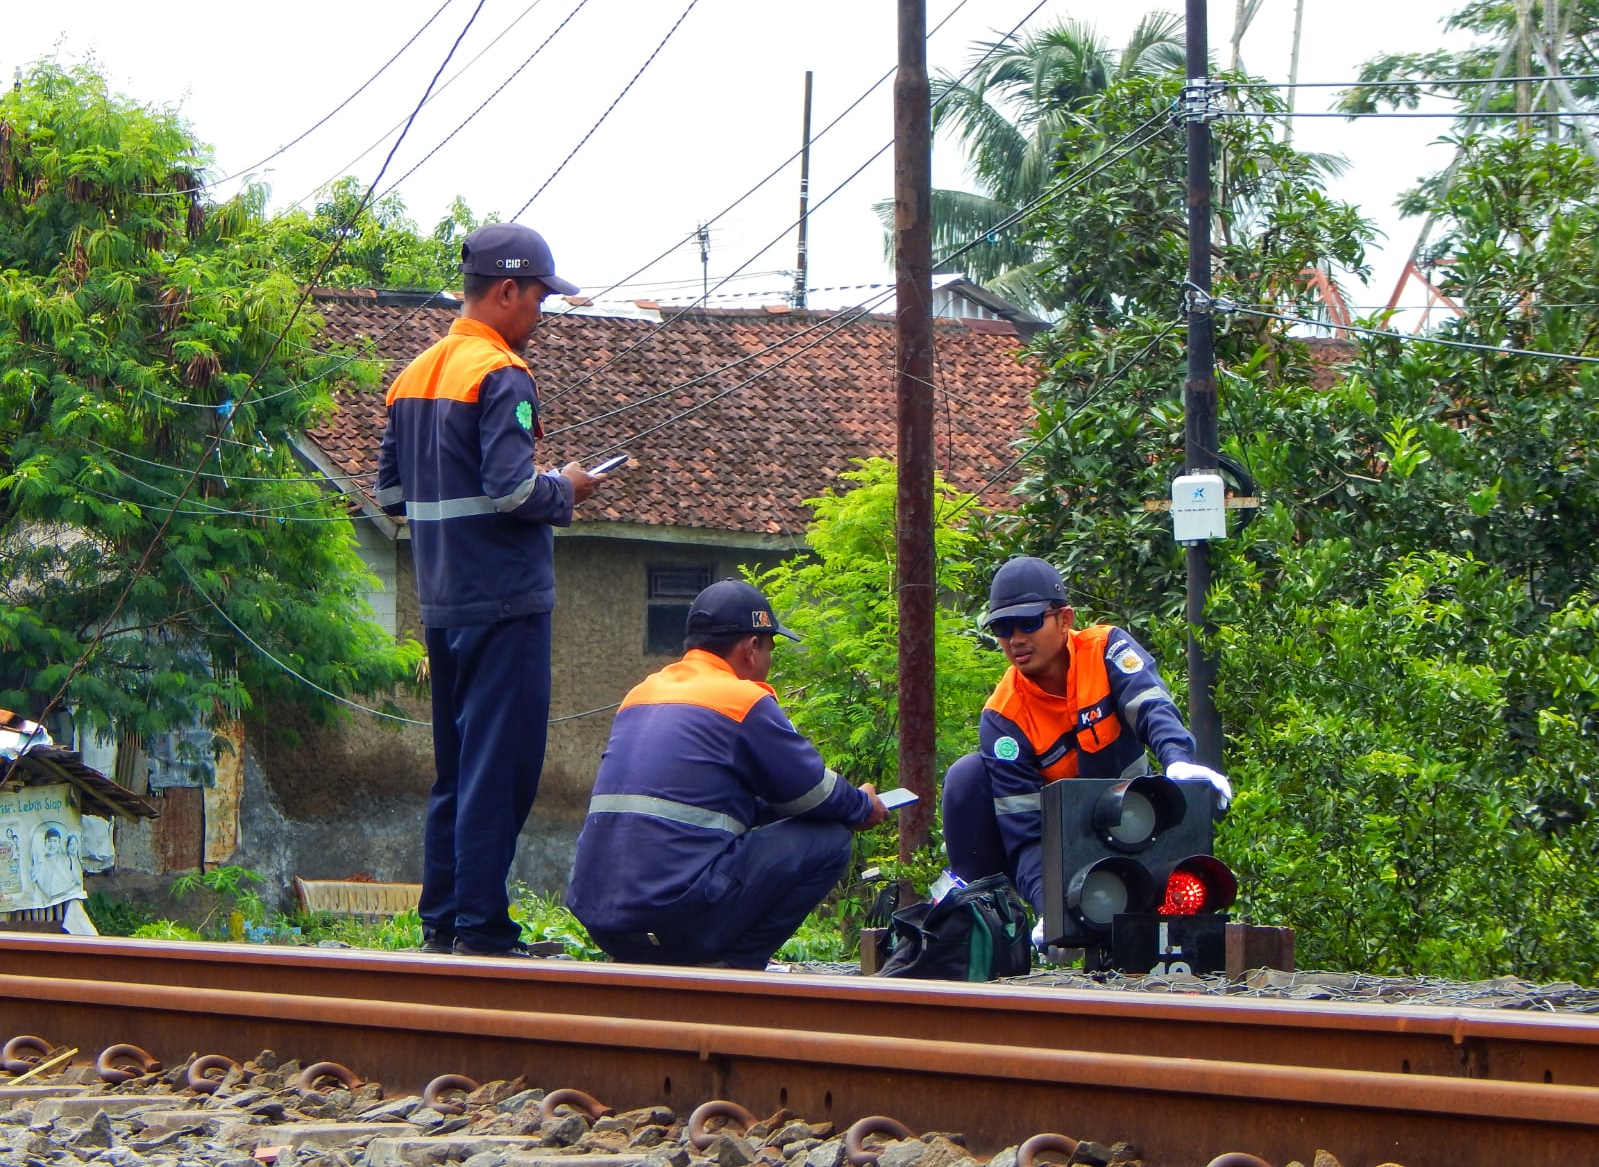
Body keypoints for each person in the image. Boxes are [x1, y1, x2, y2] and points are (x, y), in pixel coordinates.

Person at [376, 221, 605, 957]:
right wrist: (564, 487)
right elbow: (511, 492)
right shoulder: (500, 374)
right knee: (498, 773)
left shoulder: (412, 377)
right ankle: (481, 930)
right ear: (507, 290)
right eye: (538, 298)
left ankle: (443, 922)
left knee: (457, 770)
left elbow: (388, 495)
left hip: (444, 601)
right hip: (505, 601)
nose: (540, 313)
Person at [565, 578, 890, 969]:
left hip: (605, 922)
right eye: (770, 647)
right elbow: (816, 793)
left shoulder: (641, 695)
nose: (770, 659)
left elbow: (707, 806)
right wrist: (862, 803)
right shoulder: (741, 699)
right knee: (829, 839)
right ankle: (737, 969)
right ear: (752, 648)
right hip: (676, 919)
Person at [941, 557, 1231, 941]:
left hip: (1133, 825)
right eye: (1002, 627)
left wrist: (1178, 760)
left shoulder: (1106, 649)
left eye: (1029, 623)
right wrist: (1053, 912)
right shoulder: (1003, 717)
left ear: (1064, 620)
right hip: (1057, 846)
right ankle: (989, 929)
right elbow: (1024, 833)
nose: (1016, 639)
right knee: (966, 776)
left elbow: (1150, 707)